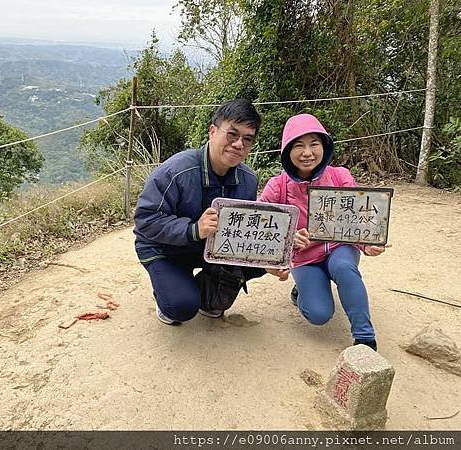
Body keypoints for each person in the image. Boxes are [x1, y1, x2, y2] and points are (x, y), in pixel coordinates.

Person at [133, 99, 288, 325]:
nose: (238, 144)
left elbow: (243, 236)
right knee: (180, 307)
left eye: (247, 139)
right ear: (212, 131)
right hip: (164, 248)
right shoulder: (176, 171)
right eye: (232, 134)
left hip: (210, 249)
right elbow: (145, 220)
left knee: (223, 295)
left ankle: (205, 297)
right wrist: (193, 229)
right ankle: (172, 294)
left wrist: (266, 262)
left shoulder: (247, 179)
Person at [259, 113, 387, 351]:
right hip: (305, 259)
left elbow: (357, 219)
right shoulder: (277, 187)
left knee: (343, 267)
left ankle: (365, 338)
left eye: (314, 144)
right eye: (298, 145)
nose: (307, 152)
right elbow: (262, 229)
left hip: (340, 249)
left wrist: (367, 244)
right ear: (287, 151)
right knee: (318, 314)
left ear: (324, 147)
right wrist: (287, 241)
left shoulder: (340, 176)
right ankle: (302, 291)